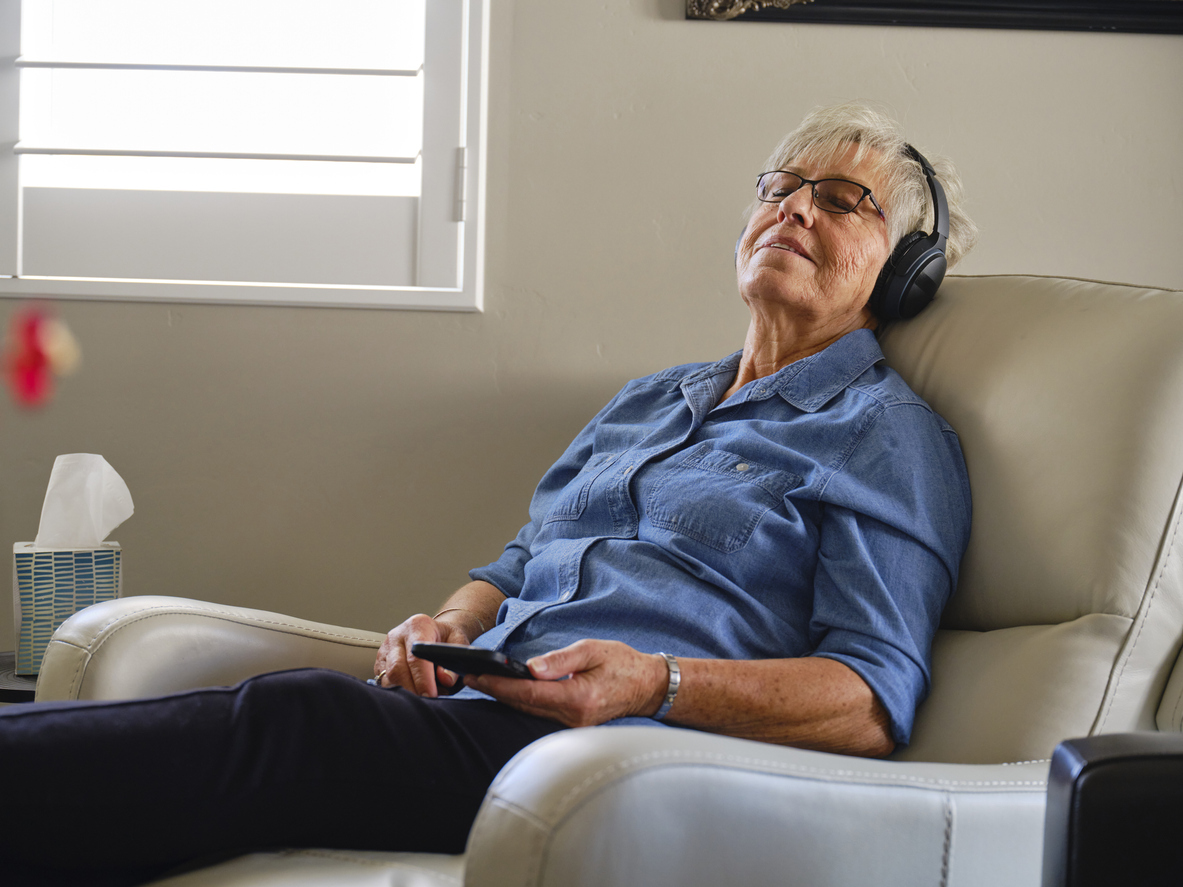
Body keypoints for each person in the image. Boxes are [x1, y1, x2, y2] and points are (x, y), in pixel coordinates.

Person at [0, 102, 977, 885]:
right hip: (484, 709)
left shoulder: (885, 434)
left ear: (902, 274)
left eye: (844, 201)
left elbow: (871, 695)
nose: (794, 209)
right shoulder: (649, 399)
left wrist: (653, 679)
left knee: (296, 719)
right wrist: (452, 620)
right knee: (193, 773)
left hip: (623, 762)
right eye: (780, 187)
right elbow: (516, 563)